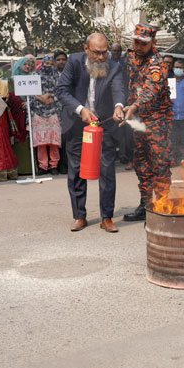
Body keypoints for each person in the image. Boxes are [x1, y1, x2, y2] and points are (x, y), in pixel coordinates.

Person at [56, 32, 125, 232]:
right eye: (97, 53)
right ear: (86, 49)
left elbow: (119, 90)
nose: (102, 57)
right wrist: (81, 110)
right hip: (77, 124)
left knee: (107, 171)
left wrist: (119, 106)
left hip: (104, 124)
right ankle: (79, 216)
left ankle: (107, 217)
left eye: (105, 53)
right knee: (76, 171)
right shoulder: (75, 62)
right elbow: (62, 91)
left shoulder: (114, 66)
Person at [118, 23, 174, 221]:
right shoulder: (131, 56)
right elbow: (125, 81)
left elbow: (151, 89)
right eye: (136, 42)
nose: (139, 46)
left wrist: (134, 106)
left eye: (144, 43)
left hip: (158, 119)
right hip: (138, 119)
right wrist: (123, 105)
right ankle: (145, 204)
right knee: (141, 163)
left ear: (154, 43)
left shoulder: (157, 63)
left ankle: (162, 206)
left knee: (160, 164)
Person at [30, 55, 62, 175]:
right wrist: (41, 98)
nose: (48, 65)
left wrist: (50, 96)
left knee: (53, 139)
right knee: (41, 140)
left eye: (50, 63)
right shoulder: (35, 75)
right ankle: (43, 166)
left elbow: (61, 91)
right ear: (42, 63)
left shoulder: (57, 76)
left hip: (53, 109)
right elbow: (30, 91)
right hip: (38, 109)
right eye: (46, 63)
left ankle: (54, 165)